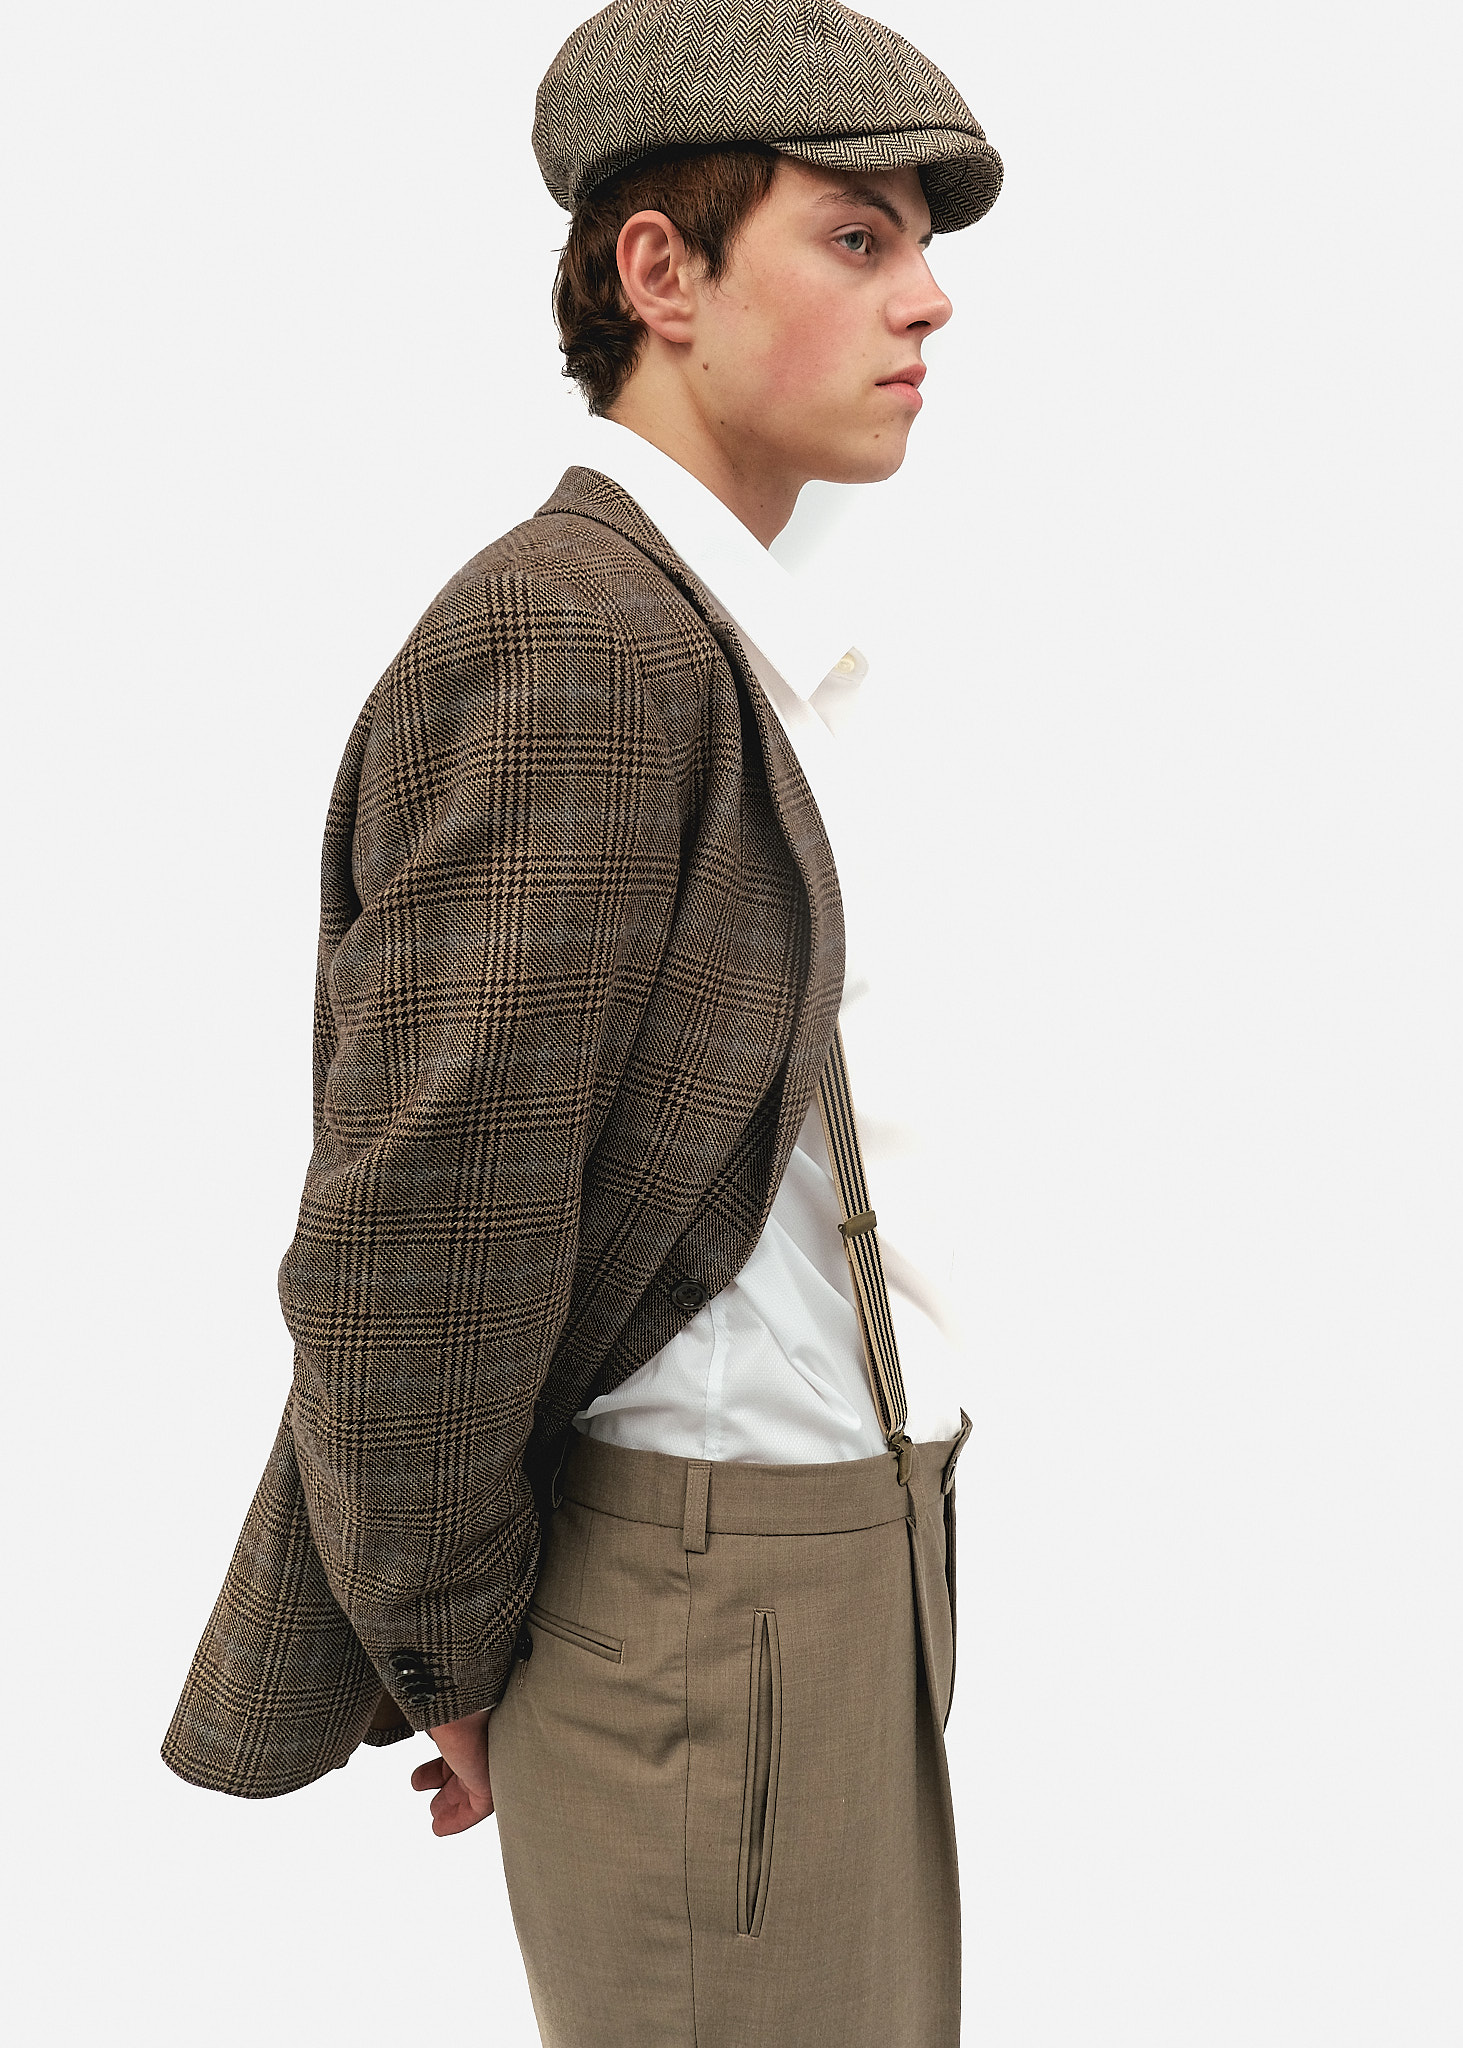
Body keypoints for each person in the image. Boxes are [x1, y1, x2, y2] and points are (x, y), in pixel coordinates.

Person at [162, 3, 1002, 2041]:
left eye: (919, 246)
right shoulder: (581, 637)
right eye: (857, 239)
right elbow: (419, 1220)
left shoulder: (696, 628)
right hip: (708, 1602)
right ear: (660, 272)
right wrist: (447, 1637)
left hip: (822, 1571)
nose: (929, 299)